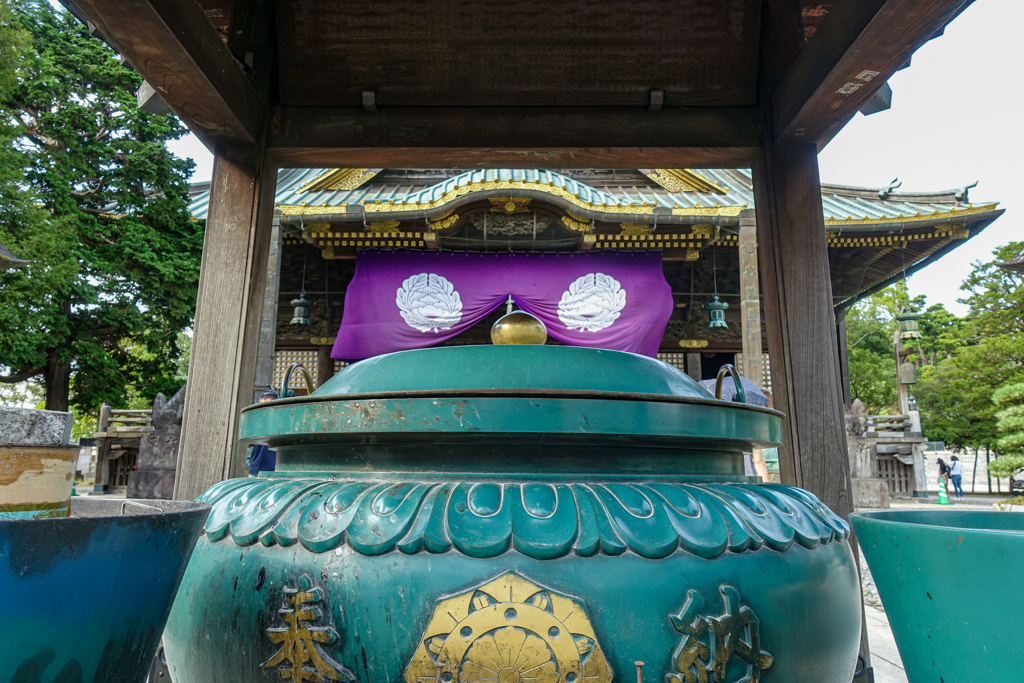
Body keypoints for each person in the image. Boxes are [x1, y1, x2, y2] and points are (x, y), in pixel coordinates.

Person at [248, 390, 279, 477]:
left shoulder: (255, 418)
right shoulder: (279, 419)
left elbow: (249, 444)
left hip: (256, 466)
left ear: (260, 400)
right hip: (274, 467)